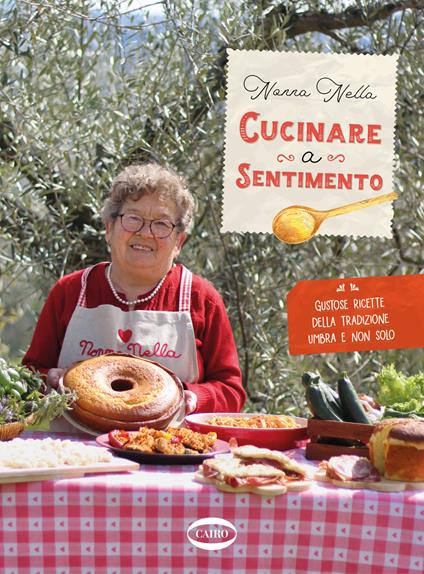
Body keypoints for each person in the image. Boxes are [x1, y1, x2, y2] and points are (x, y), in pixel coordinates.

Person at [23, 163, 246, 420]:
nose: (145, 233)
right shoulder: (70, 292)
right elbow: (29, 375)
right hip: (77, 453)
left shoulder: (201, 298)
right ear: (109, 228)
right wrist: (49, 380)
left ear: (179, 242)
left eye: (161, 224)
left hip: (170, 453)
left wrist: (191, 397)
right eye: (133, 218)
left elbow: (231, 391)